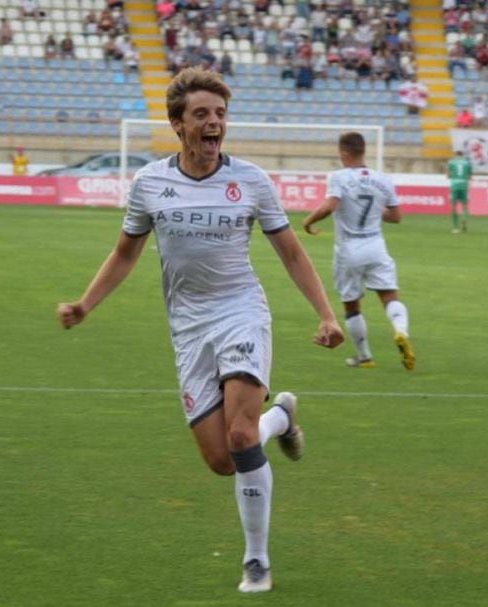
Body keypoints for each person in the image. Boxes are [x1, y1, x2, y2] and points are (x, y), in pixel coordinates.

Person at [55, 68, 344, 594]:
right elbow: (125, 254)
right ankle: (280, 417)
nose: (214, 123)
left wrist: (326, 313)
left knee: (238, 435)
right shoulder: (150, 184)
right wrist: (85, 304)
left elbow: (291, 251)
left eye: (220, 114)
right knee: (221, 460)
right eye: (201, 115)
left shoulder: (252, 180)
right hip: (189, 326)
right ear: (178, 125)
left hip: (241, 312)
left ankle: (256, 560)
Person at [301, 132, 413, 371]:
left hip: (349, 250)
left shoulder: (338, 177)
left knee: (351, 304)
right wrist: (373, 211)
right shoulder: (383, 179)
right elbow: (395, 216)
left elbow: (331, 205)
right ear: (364, 151)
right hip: (376, 246)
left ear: (343, 152)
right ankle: (401, 331)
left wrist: (308, 221)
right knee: (389, 296)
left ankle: (365, 357)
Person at [447, 149, 472, 234]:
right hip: (464, 185)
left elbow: (448, 175)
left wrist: (452, 175)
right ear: (462, 155)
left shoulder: (451, 162)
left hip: (454, 185)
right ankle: (464, 218)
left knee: (453, 206)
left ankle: (455, 227)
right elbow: (469, 176)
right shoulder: (467, 163)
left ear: (455, 155)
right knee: (464, 205)